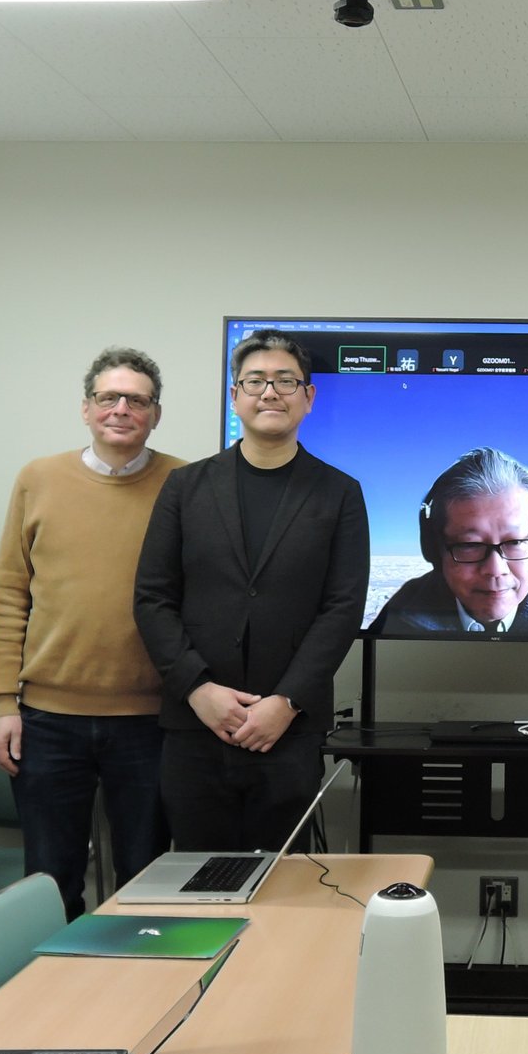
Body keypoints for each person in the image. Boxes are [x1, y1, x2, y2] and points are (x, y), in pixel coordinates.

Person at [133, 330, 368, 850]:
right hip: (197, 725)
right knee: (197, 881)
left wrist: (286, 701)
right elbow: (153, 597)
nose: (270, 392)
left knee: (284, 888)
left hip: (288, 730)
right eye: (255, 380)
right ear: (235, 396)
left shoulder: (339, 493)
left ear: (308, 397)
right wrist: (197, 689)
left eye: (286, 381)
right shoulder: (185, 487)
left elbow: (342, 608)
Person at [0, 347, 187, 919]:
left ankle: (140, 1004)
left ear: (155, 413)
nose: (122, 409)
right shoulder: (38, 479)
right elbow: (8, 595)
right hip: (48, 720)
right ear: (86, 408)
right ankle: (56, 1007)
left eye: (137, 400)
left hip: (152, 721)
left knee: (146, 882)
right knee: (51, 883)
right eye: (108, 397)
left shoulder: (185, 483)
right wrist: (3, 702)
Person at [372, 446, 528, 635]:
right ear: (435, 550)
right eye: (470, 545)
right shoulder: (400, 615)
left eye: (515, 542)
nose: (495, 570)